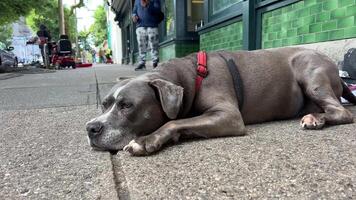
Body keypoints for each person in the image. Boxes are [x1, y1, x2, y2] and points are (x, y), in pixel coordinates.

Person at [132, 0, 162, 70]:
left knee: (154, 45)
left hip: (152, 25)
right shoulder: (137, 0)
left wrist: (148, 4)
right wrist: (134, 16)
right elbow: (134, 11)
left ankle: (155, 62)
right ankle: (142, 63)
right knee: (141, 45)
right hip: (140, 25)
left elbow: (157, 11)